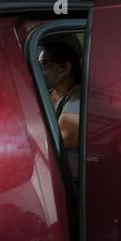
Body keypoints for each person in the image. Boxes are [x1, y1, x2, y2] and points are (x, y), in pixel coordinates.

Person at [39, 40, 81, 179]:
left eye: (44, 65)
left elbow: (62, 139)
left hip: (71, 179)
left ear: (64, 68)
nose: (40, 71)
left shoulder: (78, 96)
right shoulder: (45, 94)